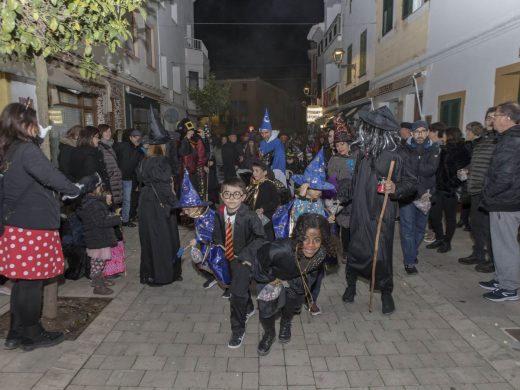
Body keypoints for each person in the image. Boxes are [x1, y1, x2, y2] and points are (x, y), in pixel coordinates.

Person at [0, 102, 91, 351]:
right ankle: (32, 333)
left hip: (17, 226)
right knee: (32, 284)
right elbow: (51, 176)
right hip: (33, 227)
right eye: (34, 121)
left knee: (22, 283)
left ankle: (15, 333)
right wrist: (75, 189)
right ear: (25, 124)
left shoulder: (9, 150)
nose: (38, 126)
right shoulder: (27, 150)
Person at [342, 106, 416, 314]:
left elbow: (411, 183)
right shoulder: (361, 153)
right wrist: (342, 194)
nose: (361, 130)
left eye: (365, 127)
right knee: (355, 249)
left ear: (376, 130)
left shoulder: (398, 154)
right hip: (359, 210)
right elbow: (355, 180)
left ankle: (386, 292)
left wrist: (396, 188)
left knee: (381, 253)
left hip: (381, 211)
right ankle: (351, 285)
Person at [253, 213, 335, 355]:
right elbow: (258, 265)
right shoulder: (279, 249)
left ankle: (285, 323)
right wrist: (271, 280)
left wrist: (300, 287)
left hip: (297, 279)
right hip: (271, 278)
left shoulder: (321, 253)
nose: (311, 245)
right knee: (266, 311)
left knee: (291, 305)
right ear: (298, 236)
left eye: (317, 239)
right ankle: (269, 334)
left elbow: (312, 272)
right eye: (305, 238)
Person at [212, 177, 265, 348]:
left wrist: (246, 255)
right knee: (238, 288)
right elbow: (217, 233)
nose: (232, 198)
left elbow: (261, 238)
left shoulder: (250, 216)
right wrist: (218, 245)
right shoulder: (219, 213)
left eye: (236, 194)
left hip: (243, 260)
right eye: (227, 194)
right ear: (221, 196)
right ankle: (249, 307)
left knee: (236, 296)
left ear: (243, 197)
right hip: (227, 258)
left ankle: (237, 330)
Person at [479, 101, 520, 302]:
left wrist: (488, 195)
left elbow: (504, 177)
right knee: (501, 244)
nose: (492, 119)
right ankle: (501, 278)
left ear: (506, 117)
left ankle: (509, 288)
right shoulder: (509, 138)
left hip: (505, 200)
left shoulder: (512, 141)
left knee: (506, 245)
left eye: (495, 115)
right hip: (508, 198)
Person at [138, 124, 182, 286]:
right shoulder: (161, 162)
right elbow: (164, 186)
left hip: (146, 202)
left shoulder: (145, 160)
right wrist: (176, 204)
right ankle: (162, 275)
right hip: (159, 203)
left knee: (149, 238)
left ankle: (149, 274)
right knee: (163, 239)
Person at [398, 120, 440, 274]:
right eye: (417, 131)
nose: (420, 134)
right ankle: (409, 261)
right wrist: (418, 166)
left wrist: (415, 166)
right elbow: (405, 171)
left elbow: (431, 169)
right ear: (412, 133)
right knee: (407, 229)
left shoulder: (434, 148)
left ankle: (412, 252)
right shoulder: (404, 148)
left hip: (426, 195)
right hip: (408, 194)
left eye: (423, 131)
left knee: (420, 228)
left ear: (427, 132)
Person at [458, 110, 497, 273]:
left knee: (488, 228)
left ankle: (493, 261)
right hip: (475, 188)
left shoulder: (499, 140)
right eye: (488, 117)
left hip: (487, 190)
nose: (490, 120)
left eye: (494, 117)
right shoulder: (483, 140)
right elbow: (476, 162)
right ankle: (479, 254)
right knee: (475, 225)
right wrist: (466, 170)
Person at [426, 127, 471, 253]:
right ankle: (439, 238)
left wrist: (450, 185)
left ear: (450, 136)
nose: (442, 137)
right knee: (434, 215)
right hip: (438, 188)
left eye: (444, 135)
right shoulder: (443, 149)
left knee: (450, 217)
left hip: (450, 190)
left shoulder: (462, 151)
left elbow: (462, 173)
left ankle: (447, 242)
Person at [77, 182, 120, 295]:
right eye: (99, 186)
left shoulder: (93, 202)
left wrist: (107, 204)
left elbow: (101, 216)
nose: (102, 188)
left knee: (100, 261)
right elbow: (101, 221)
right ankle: (98, 285)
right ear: (94, 189)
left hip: (98, 236)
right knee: (97, 262)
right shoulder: (94, 204)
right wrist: (116, 218)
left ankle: (100, 279)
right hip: (98, 237)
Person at [327, 119, 357, 264]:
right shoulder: (333, 159)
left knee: (349, 225)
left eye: (342, 144)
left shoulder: (357, 157)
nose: (340, 147)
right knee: (338, 225)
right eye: (337, 145)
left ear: (348, 143)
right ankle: (339, 251)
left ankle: (348, 251)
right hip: (338, 196)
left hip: (353, 196)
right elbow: (331, 179)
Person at [244, 160, 280, 241]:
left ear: (264, 173)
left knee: (266, 238)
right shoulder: (252, 185)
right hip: (254, 216)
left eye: (257, 171)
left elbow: (275, 201)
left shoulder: (270, 185)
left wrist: (263, 208)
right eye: (253, 170)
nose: (254, 173)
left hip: (266, 216)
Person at [114, 129, 143, 227]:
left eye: (139, 137)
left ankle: (125, 221)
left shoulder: (139, 150)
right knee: (115, 200)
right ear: (130, 137)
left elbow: (139, 166)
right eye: (135, 137)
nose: (137, 139)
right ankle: (114, 222)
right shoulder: (122, 146)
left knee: (127, 200)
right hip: (116, 178)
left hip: (129, 179)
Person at [258, 109, 286, 186]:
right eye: (262, 133)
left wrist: (268, 171)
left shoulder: (277, 142)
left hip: (275, 173)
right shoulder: (262, 143)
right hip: (263, 173)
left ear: (270, 131)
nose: (264, 135)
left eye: (266, 132)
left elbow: (279, 159)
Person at [98, 124, 123, 206]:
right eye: (105, 131)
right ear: (101, 133)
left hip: (115, 180)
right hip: (108, 181)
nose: (108, 133)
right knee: (108, 205)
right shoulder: (100, 146)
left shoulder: (111, 145)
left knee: (114, 206)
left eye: (109, 131)